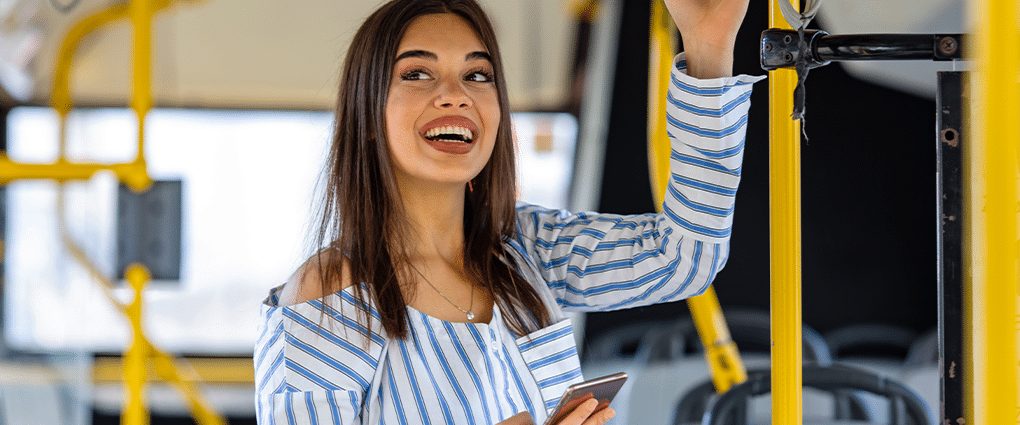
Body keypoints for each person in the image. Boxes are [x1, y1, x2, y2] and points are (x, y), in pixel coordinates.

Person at [254, 0, 763, 423]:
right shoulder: (333, 293)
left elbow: (685, 257)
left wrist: (707, 46)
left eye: (478, 74)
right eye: (417, 73)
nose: (455, 95)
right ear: (366, 114)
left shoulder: (524, 249)